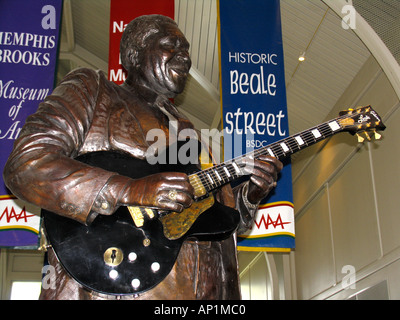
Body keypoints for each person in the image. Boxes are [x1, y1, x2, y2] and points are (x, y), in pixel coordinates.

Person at [3, 15, 282, 300]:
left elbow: (215, 220)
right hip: (115, 287)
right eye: (171, 45)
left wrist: (248, 196)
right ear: (135, 54)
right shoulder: (92, 89)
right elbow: (27, 163)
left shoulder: (193, 137)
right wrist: (128, 189)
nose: (184, 57)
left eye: (186, 50)